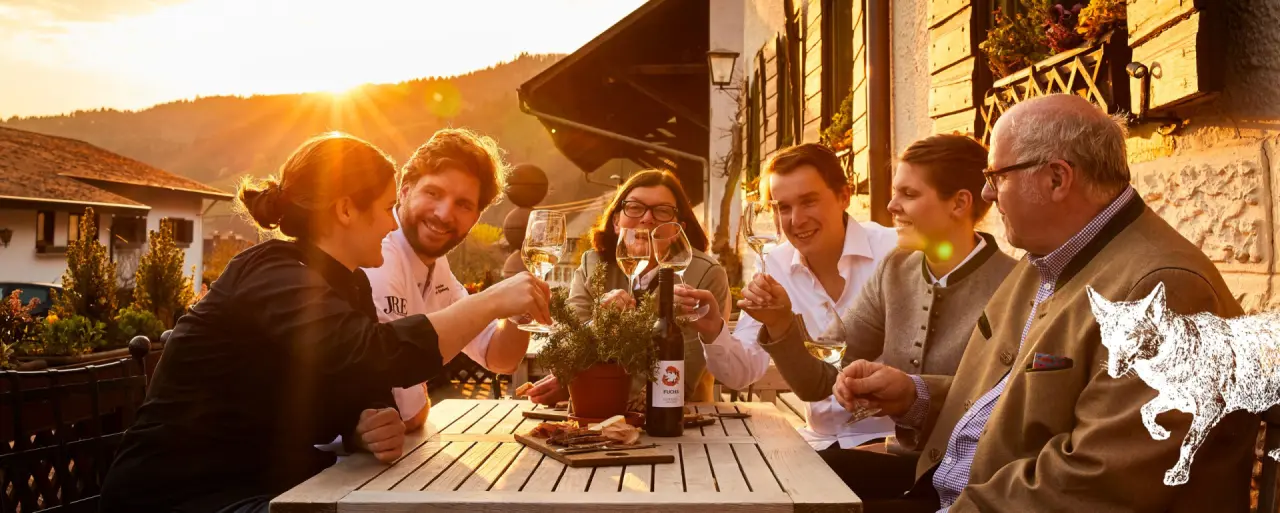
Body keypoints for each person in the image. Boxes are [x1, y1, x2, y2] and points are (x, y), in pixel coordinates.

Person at [832, 94, 1259, 512]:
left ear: (1057, 179)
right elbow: (1013, 398)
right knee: (792, 485)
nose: (985, 194)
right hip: (952, 487)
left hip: (980, 502)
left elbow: (1100, 482)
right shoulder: (1048, 259)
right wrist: (916, 395)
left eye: (996, 176)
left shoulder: (1163, 291)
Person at [99, 133, 551, 513]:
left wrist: (364, 426)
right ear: (346, 209)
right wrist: (490, 301)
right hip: (183, 498)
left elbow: (360, 382)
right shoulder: (272, 274)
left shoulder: (347, 285)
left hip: (277, 487)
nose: (388, 224)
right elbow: (375, 353)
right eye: (384, 208)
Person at [694, 134, 1015, 494]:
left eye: (908, 194)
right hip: (899, 462)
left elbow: (1008, 406)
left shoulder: (1014, 285)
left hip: (967, 473)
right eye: (896, 192)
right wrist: (782, 323)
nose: (892, 205)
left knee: (797, 480)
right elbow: (822, 378)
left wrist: (911, 393)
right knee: (754, 479)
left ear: (959, 204)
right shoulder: (897, 267)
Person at [674, 143, 898, 450]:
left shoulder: (893, 250)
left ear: (844, 196)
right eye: (783, 207)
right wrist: (714, 330)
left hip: (893, 443)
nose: (796, 220)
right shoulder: (775, 263)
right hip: (820, 444)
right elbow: (741, 374)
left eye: (809, 202)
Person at [363, 129, 535, 431]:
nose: (444, 214)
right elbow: (399, 405)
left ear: (475, 217)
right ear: (404, 191)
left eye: (463, 204)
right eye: (433, 193)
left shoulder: (436, 265)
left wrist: (522, 311)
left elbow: (500, 358)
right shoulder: (380, 256)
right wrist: (494, 299)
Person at [523, 169, 730, 404]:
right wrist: (598, 324)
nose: (647, 218)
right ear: (616, 222)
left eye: (662, 211)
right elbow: (564, 347)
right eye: (634, 207)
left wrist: (581, 382)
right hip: (595, 419)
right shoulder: (594, 265)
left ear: (676, 230)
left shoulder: (704, 275)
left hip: (684, 422)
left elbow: (680, 376)